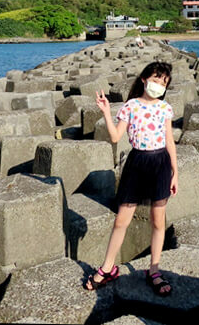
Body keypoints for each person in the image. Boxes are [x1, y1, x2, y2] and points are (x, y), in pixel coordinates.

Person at [83, 61, 178, 296]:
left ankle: (154, 270)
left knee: (158, 221)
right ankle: (107, 268)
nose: (158, 86)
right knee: (121, 221)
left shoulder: (165, 108)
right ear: (144, 79)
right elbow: (115, 137)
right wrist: (106, 112)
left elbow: (169, 141)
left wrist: (176, 172)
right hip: (136, 164)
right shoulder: (130, 106)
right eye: (155, 80)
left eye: (163, 83)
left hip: (160, 164)